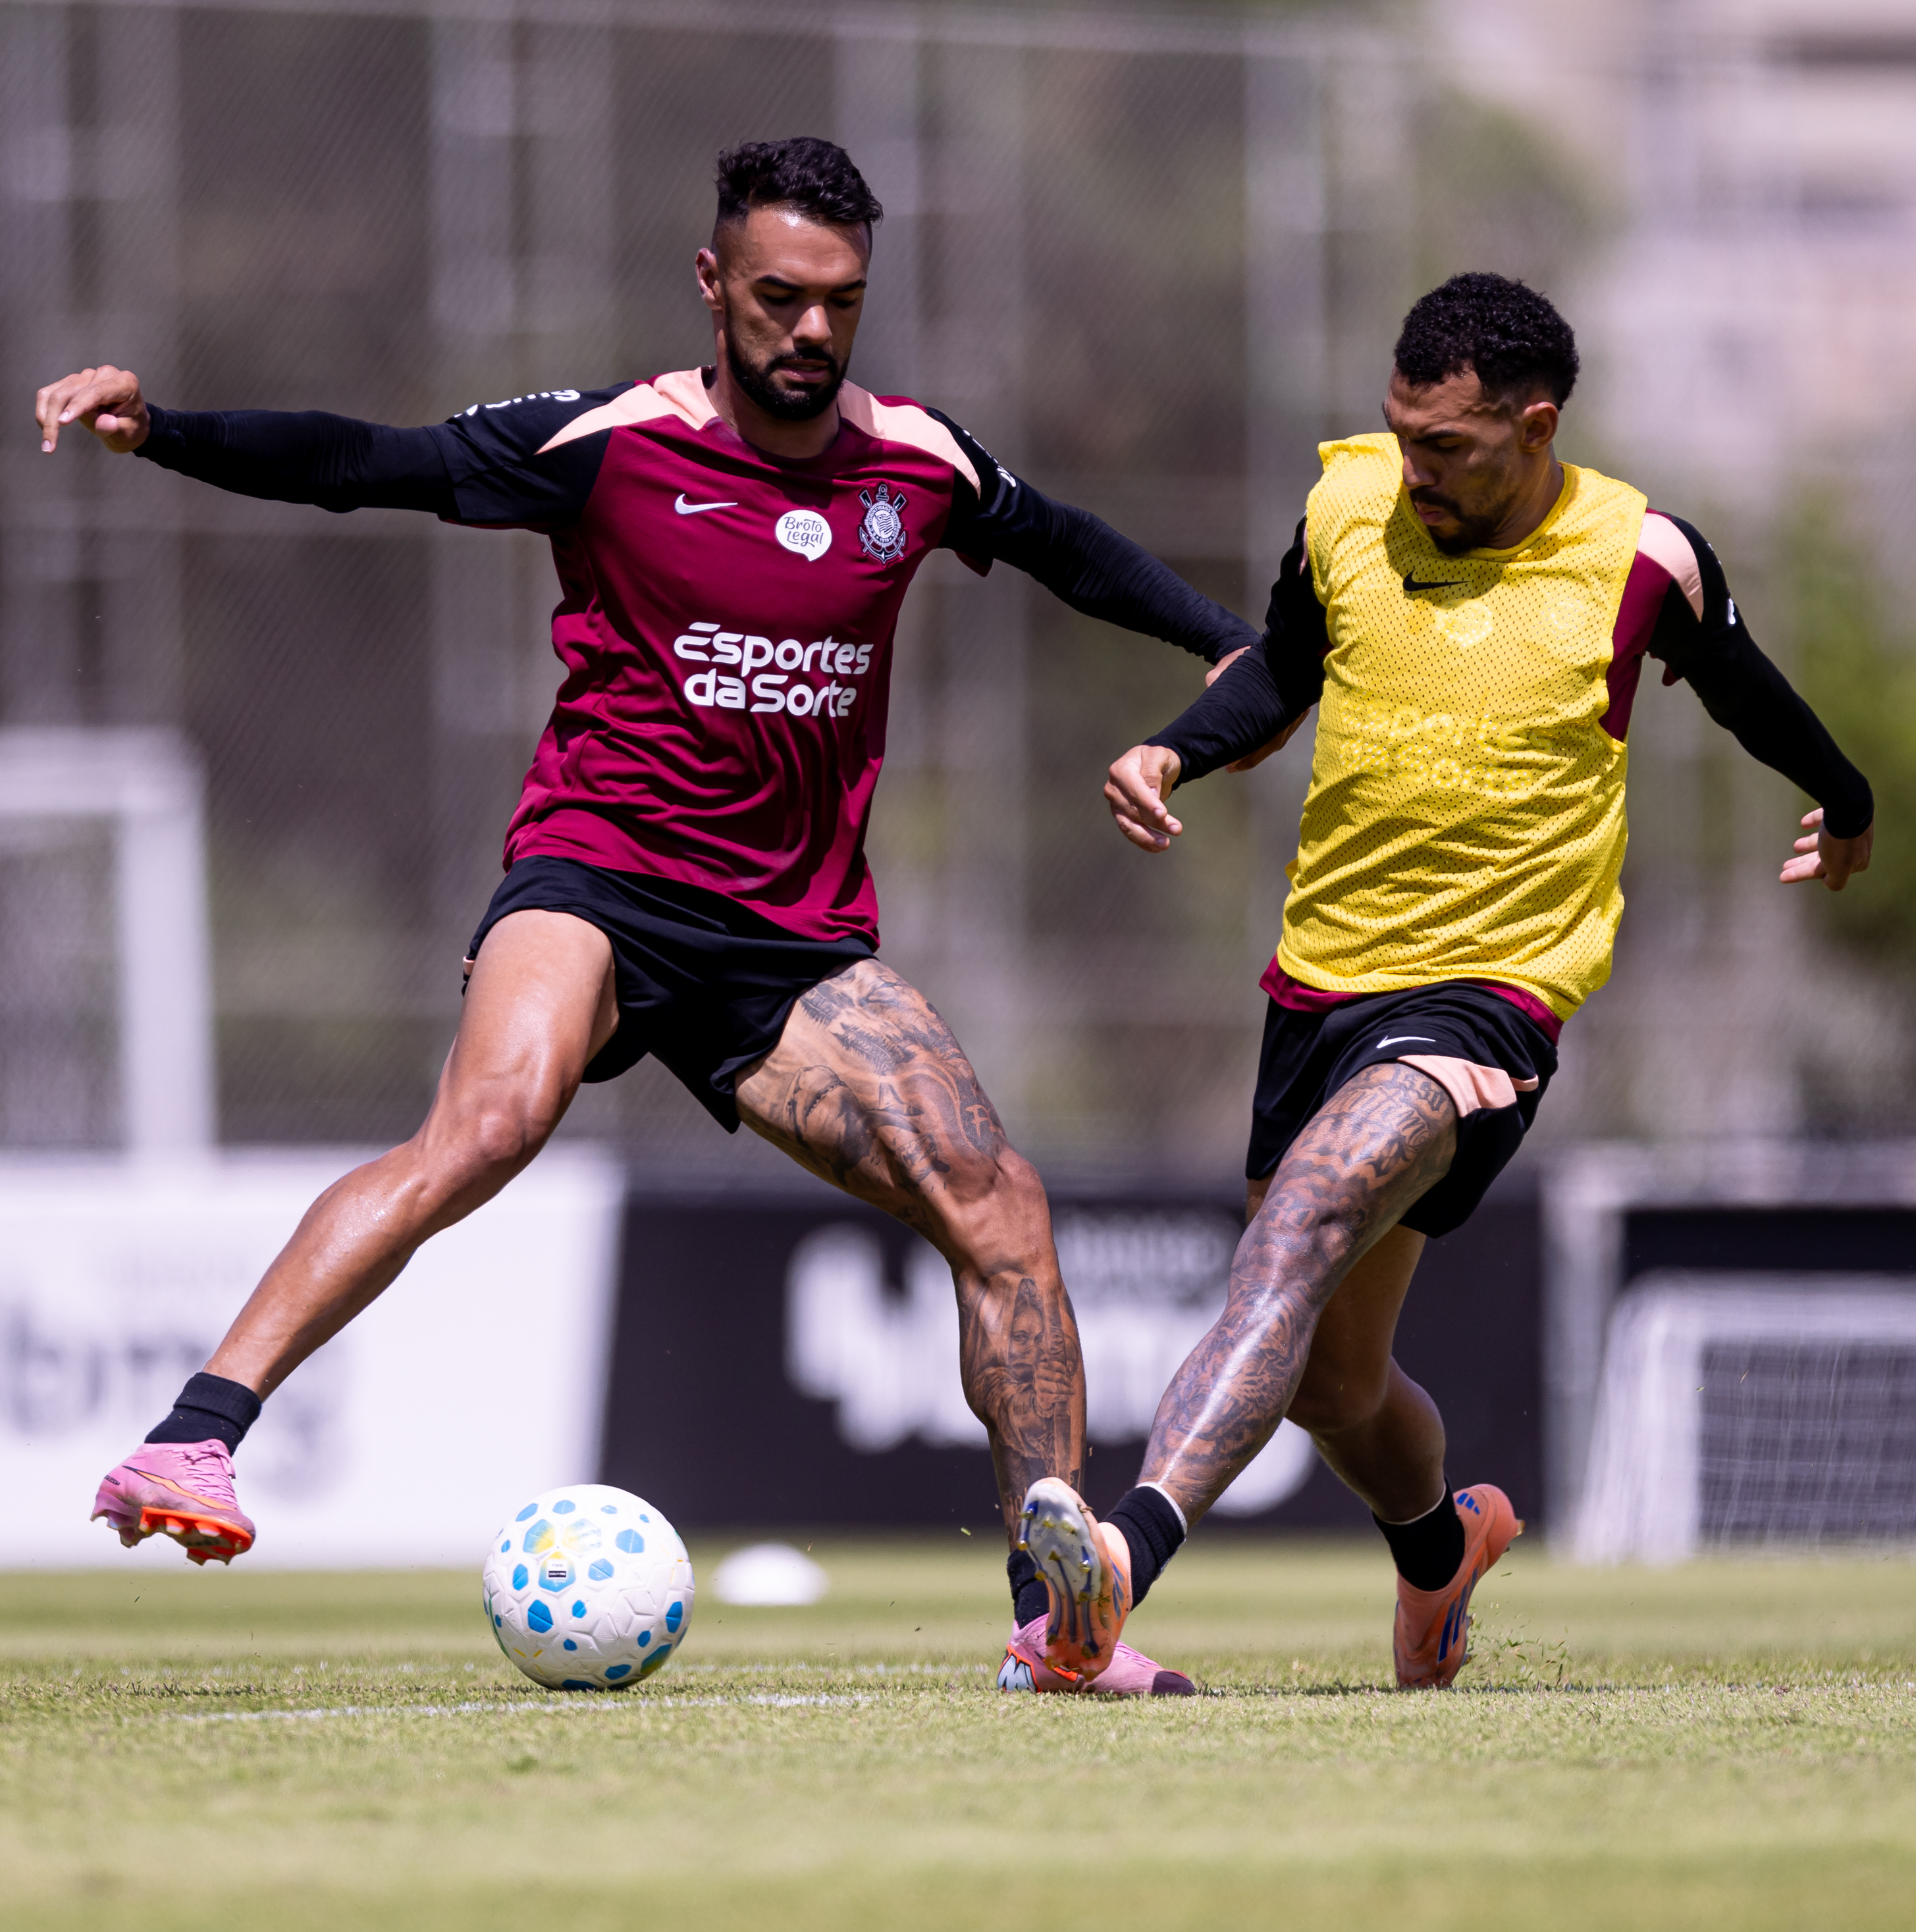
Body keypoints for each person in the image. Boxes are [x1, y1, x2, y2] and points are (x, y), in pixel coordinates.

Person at [37, 136, 1254, 1698]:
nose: (811, 333)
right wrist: (167, 432)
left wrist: (1230, 646)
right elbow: (368, 464)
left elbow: (1066, 544)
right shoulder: (603, 443)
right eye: (779, 298)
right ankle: (191, 1442)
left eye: (841, 303)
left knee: (1001, 1209)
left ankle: (1056, 1627)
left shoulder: (920, 465)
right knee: (487, 1125)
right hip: (600, 876)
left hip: (794, 942)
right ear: (712, 284)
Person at [1006, 272, 1876, 1694]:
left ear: (1537, 427)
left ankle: (1111, 1574)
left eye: (1451, 448)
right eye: (1403, 433)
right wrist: (1172, 747)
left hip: (1490, 995)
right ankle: (1437, 1558)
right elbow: (1283, 670)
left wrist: (1845, 808)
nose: (1417, 469)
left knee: (1306, 1215)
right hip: (1319, 986)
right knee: (1339, 1387)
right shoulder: (1349, 506)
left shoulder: (1640, 559)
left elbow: (1745, 685)